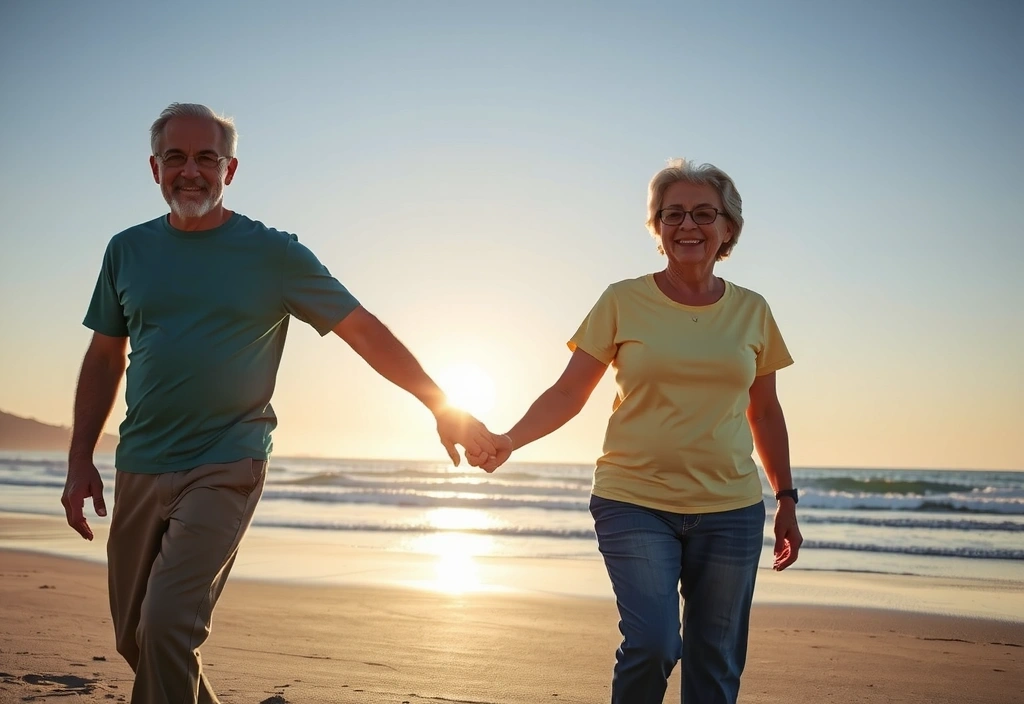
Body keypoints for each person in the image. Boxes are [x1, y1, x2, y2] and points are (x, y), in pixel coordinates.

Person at [59, 102, 496, 704]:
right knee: (137, 639)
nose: (191, 171)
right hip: (139, 461)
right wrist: (79, 457)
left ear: (230, 169)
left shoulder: (274, 254)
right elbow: (105, 356)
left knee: (166, 626)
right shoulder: (126, 250)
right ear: (154, 167)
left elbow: (363, 331)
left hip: (227, 461)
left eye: (207, 158)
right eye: (176, 157)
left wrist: (440, 404)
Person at [470, 159, 802, 703]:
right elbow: (568, 393)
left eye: (703, 214)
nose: (687, 225)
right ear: (657, 226)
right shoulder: (622, 300)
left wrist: (786, 497)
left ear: (728, 229)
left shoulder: (753, 310)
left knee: (716, 662)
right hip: (633, 500)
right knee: (653, 643)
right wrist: (510, 439)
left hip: (731, 510)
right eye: (673, 214)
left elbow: (764, 411)